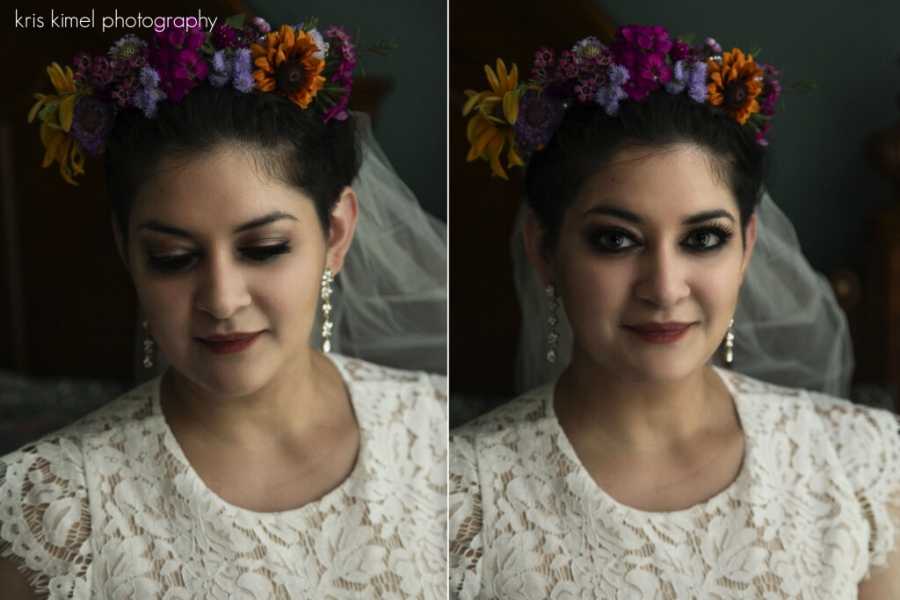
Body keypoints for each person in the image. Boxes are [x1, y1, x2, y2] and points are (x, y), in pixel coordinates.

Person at [2, 16, 446, 599]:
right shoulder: (47, 512)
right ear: (126, 249)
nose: (221, 299)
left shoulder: (436, 435)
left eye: (263, 250)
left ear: (335, 233)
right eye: (172, 256)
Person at [450, 25, 900, 598]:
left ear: (747, 247)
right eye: (616, 240)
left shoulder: (859, 462)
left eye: (704, 239)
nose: (664, 288)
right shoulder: (462, 499)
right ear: (543, 250)